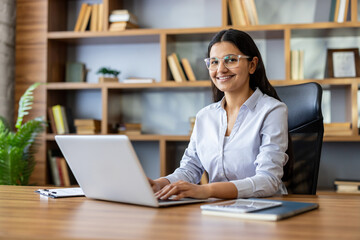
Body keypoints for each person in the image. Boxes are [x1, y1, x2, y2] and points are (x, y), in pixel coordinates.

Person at [149, 28, 292, 200]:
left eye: (231, 60)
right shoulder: (205, 116)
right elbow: (190, 170)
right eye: (214, 62)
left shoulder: (272, 111)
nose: (221, 69)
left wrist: (208, 190)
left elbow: (268, 180)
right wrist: (159, 184)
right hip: (218, 209)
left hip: (264, 209)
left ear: (252, 65)